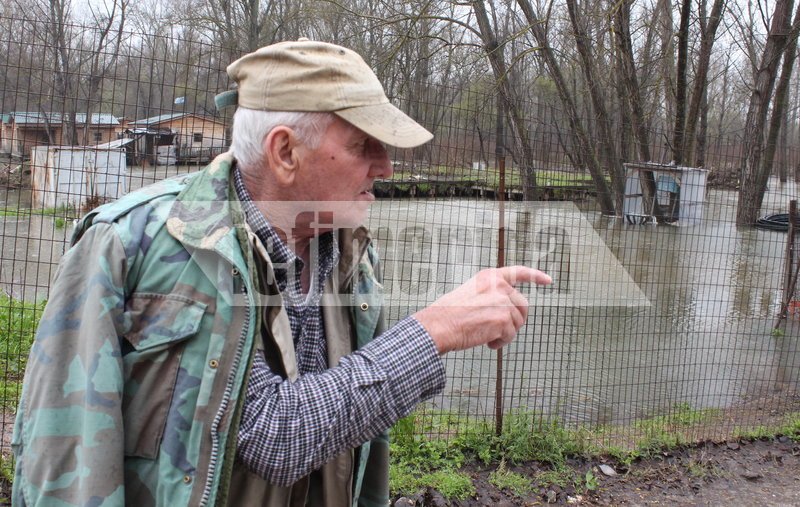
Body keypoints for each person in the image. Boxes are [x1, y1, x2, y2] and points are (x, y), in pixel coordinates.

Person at [11, 39, 551, 506]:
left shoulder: (353, 257)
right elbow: (271, 437)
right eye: (365, 144)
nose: (386, 166)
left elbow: (359, 443)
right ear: (285, 152)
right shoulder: (127, 245)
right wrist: (435, 332)